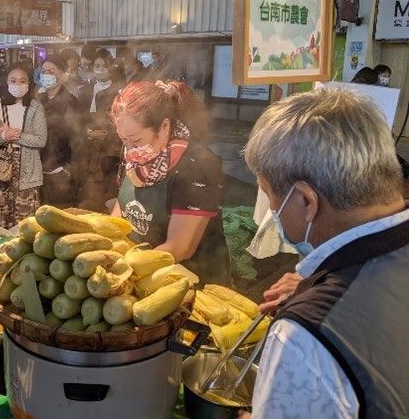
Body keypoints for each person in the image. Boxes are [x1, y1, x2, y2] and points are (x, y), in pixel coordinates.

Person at [240, 90, 408, 418]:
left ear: (305, 201)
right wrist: (319, 284)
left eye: (270, 196)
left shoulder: (303, 339)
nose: (271, 210)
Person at [109, 80, 230, 284]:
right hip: (139, 276)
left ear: (164, 126)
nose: (129, 148)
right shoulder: (133, 158)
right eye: (123, 140)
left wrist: (124, 270)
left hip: (191, 284)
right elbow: (118, 222)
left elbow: (180, 248)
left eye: (135, 140)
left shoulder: (198, 165)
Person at [0, 62, 47, 228]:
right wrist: (4, 136)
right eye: (13, 80)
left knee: (24, 224)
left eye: (22, 81)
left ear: (29, 83)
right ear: (6, 82)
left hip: (27, 171)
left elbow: (41, 140)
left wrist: (14, 135)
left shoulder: (35, 108)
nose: (18, 85)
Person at [76, 48, 123, 211]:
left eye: (104, 65)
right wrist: (89, 133)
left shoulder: (120, 92)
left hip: (110, 153)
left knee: (106, 195)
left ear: (111, 67)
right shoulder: (83, 91)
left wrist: (107, 135)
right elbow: (76, 121)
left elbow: (121, 123)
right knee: (87, 194)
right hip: (87, 152)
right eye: (97, 65)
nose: (100, 69)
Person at [37, 55, 79, 208]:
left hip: (60, 169)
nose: (46, 74)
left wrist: (68, 169)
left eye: (51, 71)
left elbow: (77, 138)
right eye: (44, 71)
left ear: (61, 75)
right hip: (37, 169)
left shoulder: (71, 102)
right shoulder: (37, 99)